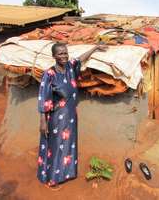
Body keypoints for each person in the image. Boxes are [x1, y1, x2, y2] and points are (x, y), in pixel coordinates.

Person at [37, 43, 107, 189]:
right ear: (54, 56)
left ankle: (66, 174)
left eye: (65, 53)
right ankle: (52, 179)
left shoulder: (70, 68)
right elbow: (43, 98)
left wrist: (94, 48)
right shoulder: (49, 75)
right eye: (60, 54)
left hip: (71, 116)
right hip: (56, 118)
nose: (63, 56)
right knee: (56, 147)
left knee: (69, 145)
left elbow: (80, 59)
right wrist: (43, 122)